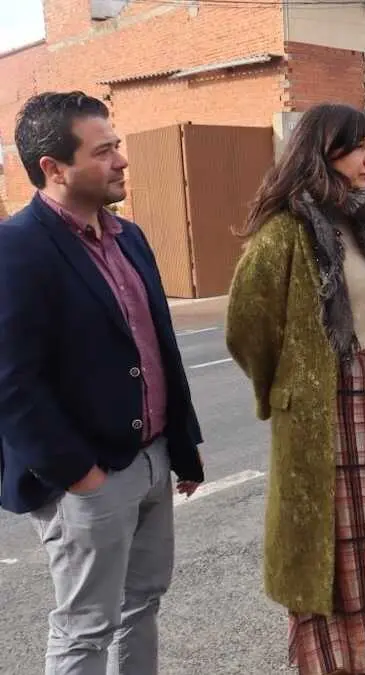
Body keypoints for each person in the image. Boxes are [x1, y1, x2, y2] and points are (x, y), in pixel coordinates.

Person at [225, 103, 365, 675]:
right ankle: (342, 661)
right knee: (339, 549)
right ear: (320, 153)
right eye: (357, 147)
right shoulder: (284, 232)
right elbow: (248, 330)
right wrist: (292, 389)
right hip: (328, 410)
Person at [0, 91, 205, 674]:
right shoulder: (16, 250)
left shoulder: (129, 237)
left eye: (118, 146)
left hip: (153, 458)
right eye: (105, 150)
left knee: (143, 604)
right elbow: (11, 384)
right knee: (86, 627)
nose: (122, 160)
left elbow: (160, 349)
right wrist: (79, 477)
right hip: (87, 479)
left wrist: (181, 449)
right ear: (53, 167)